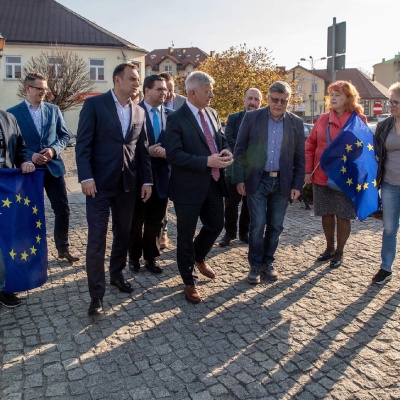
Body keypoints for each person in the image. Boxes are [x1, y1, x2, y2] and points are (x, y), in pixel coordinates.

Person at [75, 63, 152, 316]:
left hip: (127, 186)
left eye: (138, 79)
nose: (136, 83)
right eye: (132, 78)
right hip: (98, 185)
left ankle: (117, 274)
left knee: (123, 233)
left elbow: (142, 151)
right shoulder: (95, 105)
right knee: (97, 240)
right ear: (117, 80)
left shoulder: (139, 112)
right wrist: (86, 177)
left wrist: (147, 181)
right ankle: (97, 295)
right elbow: (83, 145)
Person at [165, 71, 233, 304]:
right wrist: (206, 161)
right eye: (208, 91)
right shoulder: (176, 118)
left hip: (213, 183)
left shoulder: (212, 113)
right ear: (192, 92)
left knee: (216, 224)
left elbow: (220, 138)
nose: (212, 95)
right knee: (185, 235)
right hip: (187, 187)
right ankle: (188, 282)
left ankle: (198, 256)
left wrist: (226, 152)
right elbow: (173, 155)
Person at [232, 81, 305, 284]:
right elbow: (239, 149)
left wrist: (297, 185)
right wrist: (239, 178)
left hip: (282, 182)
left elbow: (300, 157)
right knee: (257, 224)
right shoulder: (252, 117)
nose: (278, 104)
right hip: (257, 180)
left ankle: (268, 262)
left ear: (288, 101)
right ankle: (255, 264)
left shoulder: (296, 123)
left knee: (275, 226)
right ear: (269, 97)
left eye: (283, 101)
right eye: (274, 99)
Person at [7, 72, 79, 264]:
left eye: (45, 89)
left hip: (53, 168)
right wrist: (29, 155)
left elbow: (65, 136)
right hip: (28, 171)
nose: (44, 92)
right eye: (40, 89)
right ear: (28, 89)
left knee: (62, 210)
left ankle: (63, 249)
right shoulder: (13, 113)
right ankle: (29, 252)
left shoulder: (54, 110)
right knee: (30, 212)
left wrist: (53, 150)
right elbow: (11, 144)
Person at [305, 80, 367, 269]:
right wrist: (307, 171)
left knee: (343, 215)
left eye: (338, 94)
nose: (332, 98)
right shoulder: (323, 119)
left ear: (349, 98)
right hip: (322, 174)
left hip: (346, 176)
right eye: (331, 94)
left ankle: (340, 251)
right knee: (326, 213)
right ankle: (329, 247)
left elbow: (363, 149)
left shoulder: (358, 119)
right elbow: (310, 145)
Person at [128, 75, 173, 274]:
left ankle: (152, 257)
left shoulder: (172, 115)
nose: (164, 93)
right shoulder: (134, 113)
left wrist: (168, 153)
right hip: (139, 177)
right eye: (159, 89)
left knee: (156, 220)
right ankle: (134, 257)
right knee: (136, 220)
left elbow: (178, 144)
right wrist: (147, 151)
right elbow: (127, 145)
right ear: (146, 91)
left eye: (165, 89)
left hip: (163, 176)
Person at [0, 110, 35, 308]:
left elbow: (20, 148)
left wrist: (24, 161)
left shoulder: (8, 118)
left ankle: (4, 288)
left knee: (4, 239)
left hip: (4, 188)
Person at [219, 88, 263, 247]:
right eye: (250, 98)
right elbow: (229, 139)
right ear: (244, 100)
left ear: (261, 102)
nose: (253, 102)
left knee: (249, 203)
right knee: (231, 203)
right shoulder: (234, 118)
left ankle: (244, 232)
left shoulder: (265, 119)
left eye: (256, 99)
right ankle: (229, 232)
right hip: (234, 167)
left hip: (254, 169)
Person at [371, 82, 400, 285]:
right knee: (389, 228)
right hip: (390, 185)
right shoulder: (384, 126)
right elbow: (373, 151)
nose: (391, 105)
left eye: (396, 102)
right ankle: (385, 268)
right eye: (391, 101)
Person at [158, 72, 187, 249]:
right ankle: (163, 231)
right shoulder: (155, 103)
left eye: (171, 90)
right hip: (161, 159)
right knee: (162, 199)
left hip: (180, 159)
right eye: (165, 90)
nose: (168, 94)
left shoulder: (183, 102)